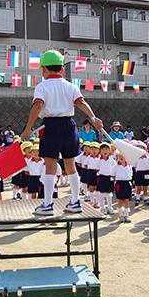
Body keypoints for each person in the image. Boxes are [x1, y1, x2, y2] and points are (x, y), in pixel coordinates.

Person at [21, 50, 103, 216]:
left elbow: (37, 106)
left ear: (43, 69)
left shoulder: (42, 86)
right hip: (69, 125)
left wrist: (28, 128)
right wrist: (93, 118)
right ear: (62, 70)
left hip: (50, 127)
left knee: (50, 166)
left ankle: (47, 204)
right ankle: (75, 201)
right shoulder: (70, 85)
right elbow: (81, 102)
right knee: (70, 165)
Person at [112, 152, 133, 223]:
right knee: (120, 200)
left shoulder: (129, 165)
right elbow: (112, 175)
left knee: (126, 200)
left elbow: (131, 174)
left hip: (127, 183)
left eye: (123, 155)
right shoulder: (116, 166)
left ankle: (126, 215)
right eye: (119, 155)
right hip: (120, 183)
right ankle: (120, 215)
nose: (121, 157)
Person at [96, 143, 116, 215]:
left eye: (107, 149)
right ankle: (103, 208)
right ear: (100, 151)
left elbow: (114, 169)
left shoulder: (112, 160)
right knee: (101, 193)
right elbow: (97, 169)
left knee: (109, 193)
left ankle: (110, 207)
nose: (105, 151)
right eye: (103, 149)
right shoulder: (99, 160)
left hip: (109, 178)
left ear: (110, 151)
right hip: (102, 177)